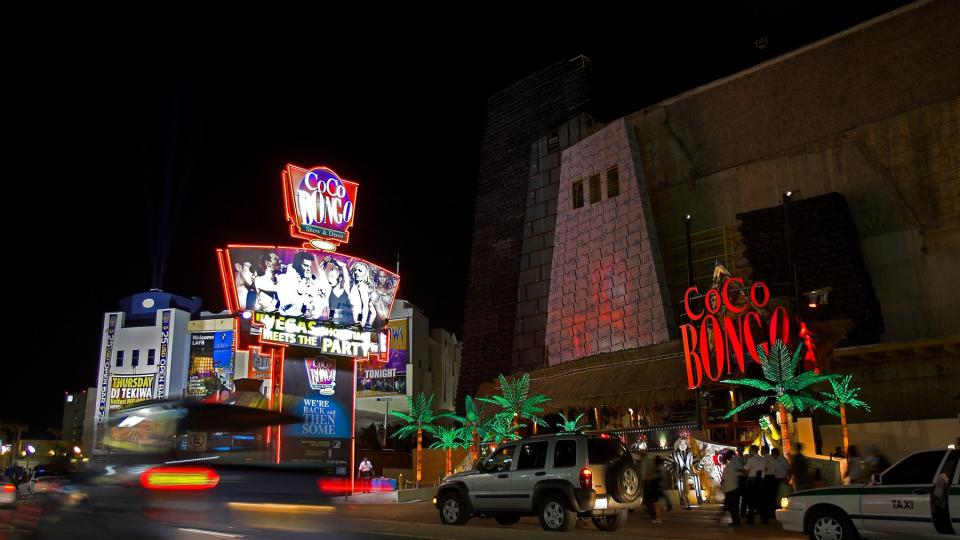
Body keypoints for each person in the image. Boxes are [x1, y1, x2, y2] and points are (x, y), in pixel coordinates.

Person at [746, 445, 768, 524]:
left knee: (751, 502)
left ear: (753, 451)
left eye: (750, 450)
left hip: (752, 482)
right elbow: (766, 469)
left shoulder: (750, 460)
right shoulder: (762, 459)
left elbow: (746, 470)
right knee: (761, 501)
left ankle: (750, 520)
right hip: (761, 481)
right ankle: (764, 520)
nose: (749, 452)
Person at [720, 453, 741, 526]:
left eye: (722, 459)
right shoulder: (734, 465)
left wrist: (721, 487)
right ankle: (736, 521)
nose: (722, 461)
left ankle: (736, 522)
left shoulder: (728, 466)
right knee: (733, 506)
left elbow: (724, 479)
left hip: (730, 489)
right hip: (735, 488)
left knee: (730, 506)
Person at [768, 448, 791, 512]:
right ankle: (777, 508)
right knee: (776, 495)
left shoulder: (783, 459)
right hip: (774, 479)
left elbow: (788, 469)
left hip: (782, 479)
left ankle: (784, 508)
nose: (772, 454)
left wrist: (789, 478)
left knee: (783, 495)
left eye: (772, 453)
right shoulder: (772, 460)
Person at [733, 447, 750, 518]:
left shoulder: (745, 457)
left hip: (745, 478)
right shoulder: (735, 459)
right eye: (739, 449)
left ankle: (743, 512)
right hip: (739, 478)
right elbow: (738, 469)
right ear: (737, 450)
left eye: (742, 449)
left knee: (745, 496)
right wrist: (746, 472)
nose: (741, 450)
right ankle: (736, 513)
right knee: (737, 497)